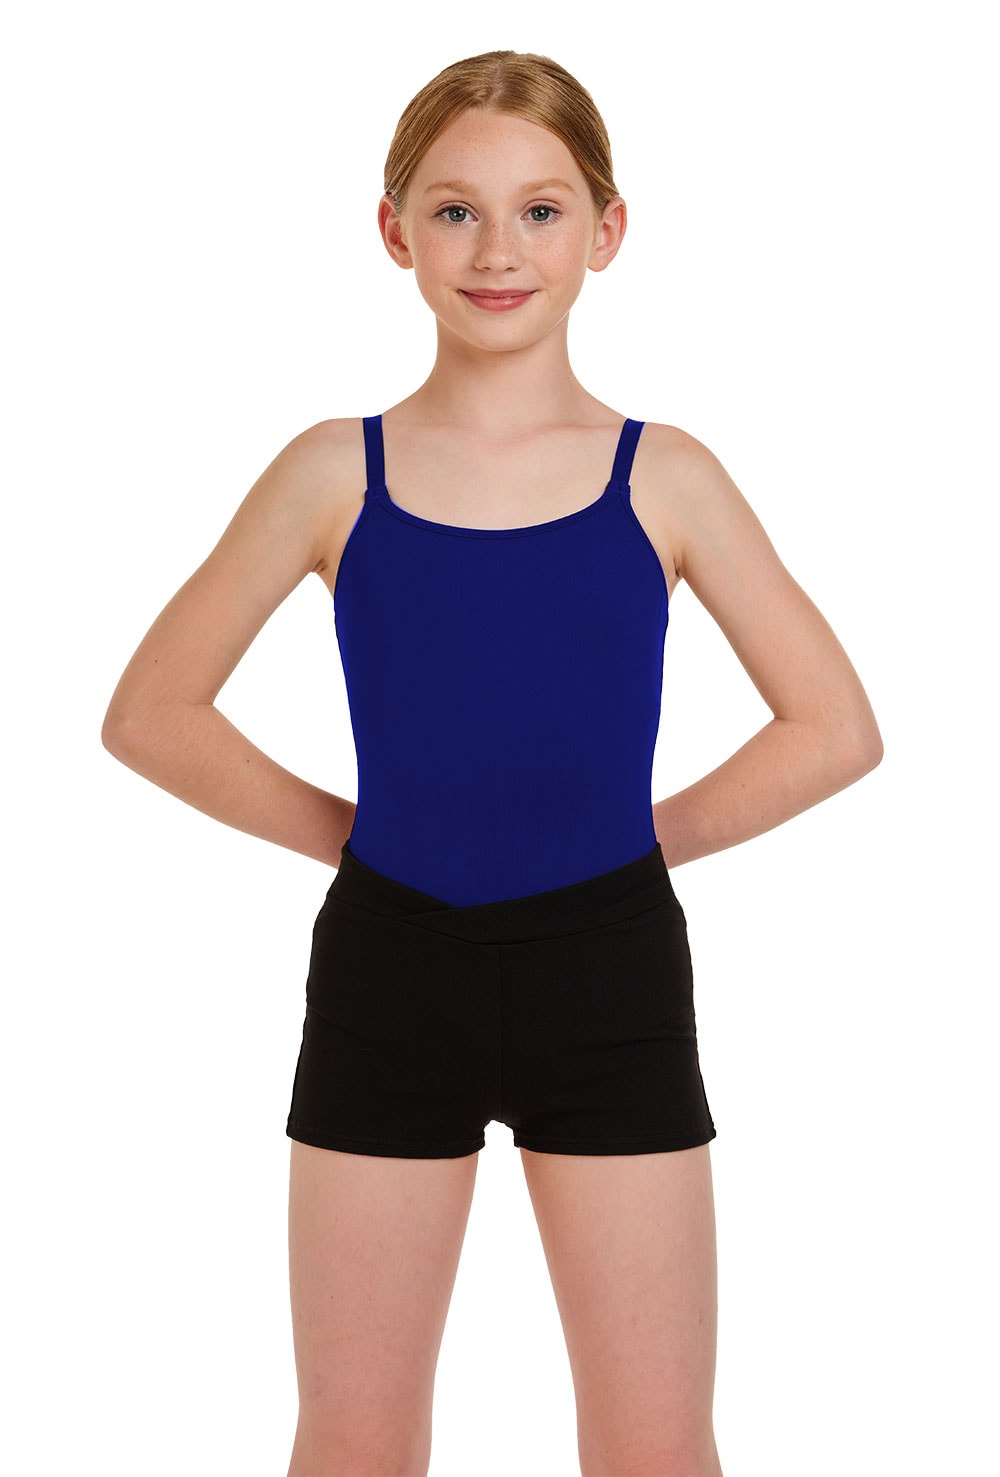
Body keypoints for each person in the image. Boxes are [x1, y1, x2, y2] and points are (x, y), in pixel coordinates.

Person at [102, 48, 882, 1477]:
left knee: (656, 1447)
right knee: (352, 1442)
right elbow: (152, 710)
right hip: (389, 972)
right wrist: (356, 834)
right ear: (394, 230)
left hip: (611, 978)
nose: (497, 250)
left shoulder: (668, 474)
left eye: (540, 210)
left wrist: (629, 842)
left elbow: (835, 728)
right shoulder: (333, 470)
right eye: (455, 210)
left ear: (606, 230)